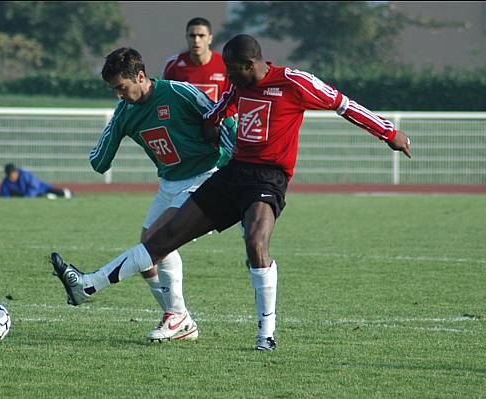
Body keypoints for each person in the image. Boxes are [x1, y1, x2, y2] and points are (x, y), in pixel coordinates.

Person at [50, 34, 412, 351]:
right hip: (233, 172)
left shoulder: (294, 82)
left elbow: (342, 103)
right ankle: (89, 285)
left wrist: (389, 133)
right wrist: (211, 124)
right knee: (162, 239)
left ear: (249, 63)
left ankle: (266, 334)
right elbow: (222, 108)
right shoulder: (238, 85)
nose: (228, 76)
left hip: (269, 179)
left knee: (256, 242)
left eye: (232, 69)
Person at [51, 47, 236, 342]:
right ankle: (180, 318)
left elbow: (224, 119)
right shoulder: (125, 112)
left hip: (206, 177)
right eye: (114, 90)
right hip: (169, 183)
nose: (118, 95)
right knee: (148, 254)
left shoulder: (180, 92)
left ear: (140, 77)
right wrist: (116, 125)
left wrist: (229, 162)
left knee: (158, 240)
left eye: (121, 88)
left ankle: (89, 285)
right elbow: (99, 162)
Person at [162, 17, 230, 102]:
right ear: (186, 37)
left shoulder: (225, 64)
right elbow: (165, 97)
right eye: (192, 36)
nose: (196, 40)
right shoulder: (173, 64)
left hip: (216, 115)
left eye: (201, 36)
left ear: (210, 38)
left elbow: (231, 100)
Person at [0, 163, 72, 199]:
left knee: (59, 193)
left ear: (16, 172)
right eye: (10, 175)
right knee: (46, 198)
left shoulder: (24, 174)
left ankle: (68, 193)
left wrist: (27, 197)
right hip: (30, 195)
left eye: (13, 174)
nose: (12, 177)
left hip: (41, 188)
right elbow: (3, 194)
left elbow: (35, 186)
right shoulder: (7, 181)